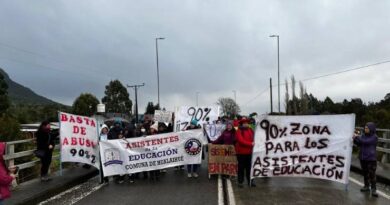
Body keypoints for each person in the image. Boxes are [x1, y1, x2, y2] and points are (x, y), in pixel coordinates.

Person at [353, 122, 378, 197]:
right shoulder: (363, 136)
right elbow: (359, 143)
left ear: (371, 129)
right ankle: (366, 186)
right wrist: (354, 139)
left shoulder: (374, 137)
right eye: (365, 128)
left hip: (371, 158)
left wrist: (357, 137)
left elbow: (366, 142)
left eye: (367, 128)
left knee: (372, 174)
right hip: (363, 158)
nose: (365, 129)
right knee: (365, 173)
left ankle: (374, 189)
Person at [235, 118, 255, 188]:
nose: (246, 124)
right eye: (244, 123)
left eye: (247, 123)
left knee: (249, 168)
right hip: (241, 153)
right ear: (242, 124)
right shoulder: (239, 131)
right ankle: (240, 182)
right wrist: (251, 144)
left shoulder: (250, 130)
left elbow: (255, 137)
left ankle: (250, 181)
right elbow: (241, 141)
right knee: (241, 168)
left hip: (249, 152)